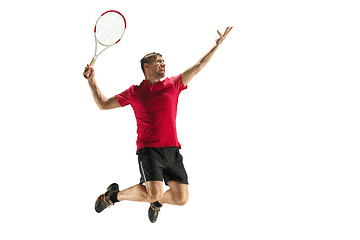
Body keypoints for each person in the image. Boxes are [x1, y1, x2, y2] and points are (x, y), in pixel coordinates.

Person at [83, 27, 232, 223]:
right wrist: (92, 80)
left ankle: (155, 202)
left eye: (163, 61)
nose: (163, 64)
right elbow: (102, 104)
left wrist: (216, 45)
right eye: (158, 61)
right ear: (146, 66)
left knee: (181, 198)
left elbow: (199, 65)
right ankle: (112, 197)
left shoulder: (173, 84)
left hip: (172, 149)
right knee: (153, 192)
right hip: (149, 150)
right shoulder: (134, 92)